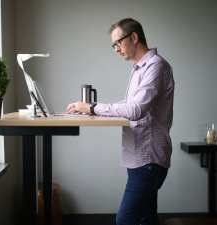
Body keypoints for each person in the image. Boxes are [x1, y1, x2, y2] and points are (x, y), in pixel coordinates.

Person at [66, 18, 174, 225]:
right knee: (146, 219)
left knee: (125, 220)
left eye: (118, 43)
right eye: (113, 45)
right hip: (139, 157)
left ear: (133, 37)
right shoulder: (139, 68)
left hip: (148, 159)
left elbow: (134, 110)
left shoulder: (156, 66)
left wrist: (91, 107)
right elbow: (128, 104)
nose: (115, 49)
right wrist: (92, 110)